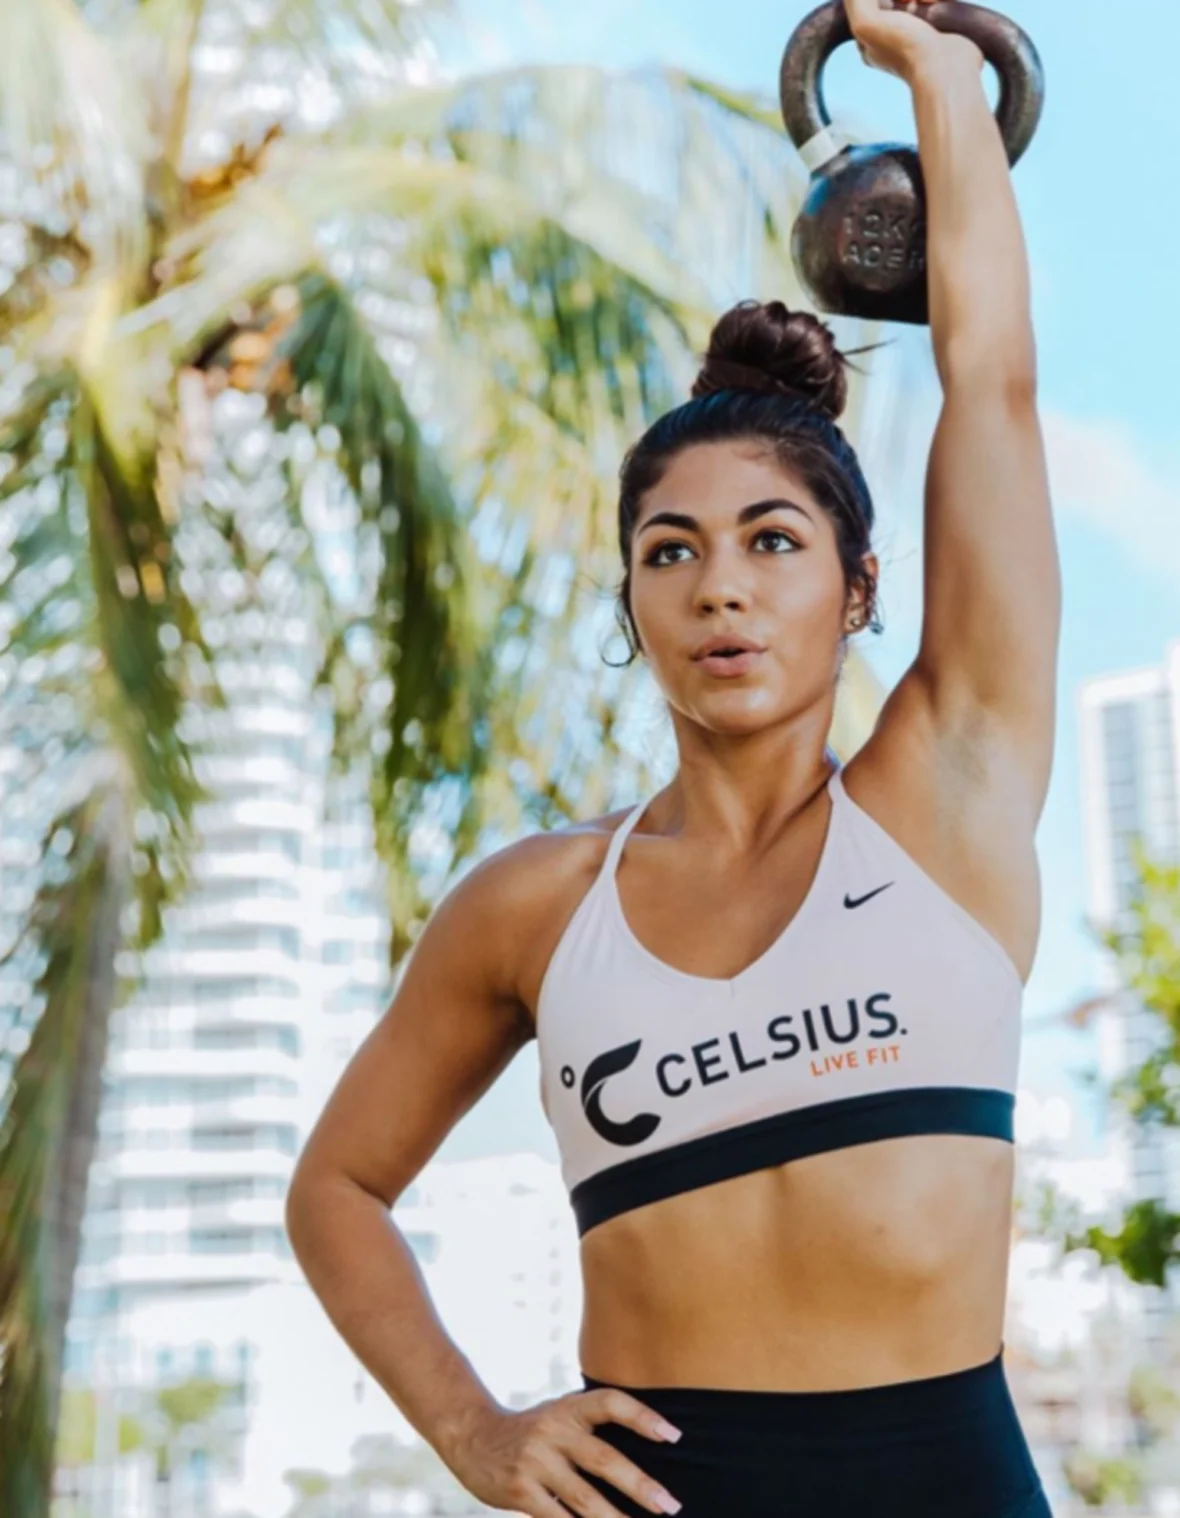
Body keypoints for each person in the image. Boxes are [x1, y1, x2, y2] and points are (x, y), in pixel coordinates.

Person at [285, 0, 1059, 1513]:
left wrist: (943, 82)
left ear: (858, 587)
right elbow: (337, 1189)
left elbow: (997, 388)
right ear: (632, 594)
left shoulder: (950, 787)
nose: (720, 585)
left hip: (944, 1474)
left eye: (774, 541)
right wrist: (476, 1431)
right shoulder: (532, 906)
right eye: (670, 548)